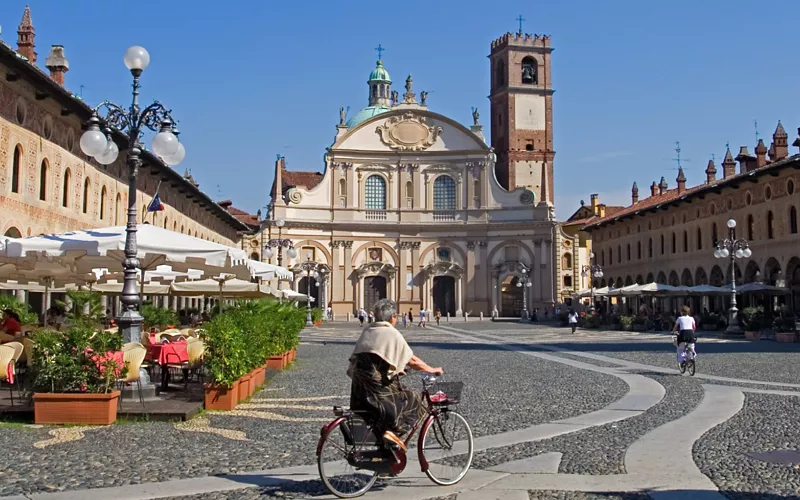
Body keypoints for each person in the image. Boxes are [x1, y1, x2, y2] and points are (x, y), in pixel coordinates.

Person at [348, 299, 443, 453]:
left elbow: (377, 357)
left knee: (396, 398)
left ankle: (386, 456)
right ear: (392, 317)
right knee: (413, 398)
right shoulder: (390, 332)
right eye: (396, 316)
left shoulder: (368, 330)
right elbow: (411, 359)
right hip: (377, 389)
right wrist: (431, 370)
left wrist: (395, 369)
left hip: (360, 389)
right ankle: (394, 433)